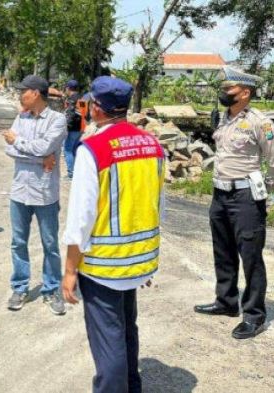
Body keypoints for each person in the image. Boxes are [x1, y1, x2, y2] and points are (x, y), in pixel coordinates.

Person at [62, 76, 165, 393]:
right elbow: (157, 203)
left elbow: (81, 217)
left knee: (109, 344)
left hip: (104, 266)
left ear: (96, 108)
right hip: (138, 259)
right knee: (126, 332)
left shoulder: (92, 149)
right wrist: (144, 259)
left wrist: (69, 271)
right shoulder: (152, 144)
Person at [194, 66, 274, 339]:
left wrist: (264, 191)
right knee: (222, 251)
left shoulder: (261, 122)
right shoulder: (222, 118)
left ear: (245, 93)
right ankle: (226, 302)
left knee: (251, 257)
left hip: (246, 196)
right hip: (220, 194)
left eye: (228, 90)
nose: (224, 93)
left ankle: (254, 315)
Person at [2, 75, 67, 315]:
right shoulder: (21, 117)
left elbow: (42, 146)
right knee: (18, 242)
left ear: (36, 93)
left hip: (45, 193)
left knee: (50, 244)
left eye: (24, 91)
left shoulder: (57, 120)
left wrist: (19, 141)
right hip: (20, 191)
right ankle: (20, 287)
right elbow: (9, 150)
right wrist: (41, 158)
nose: (21, 95)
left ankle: (51, 289)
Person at [63, 79, 83, 178]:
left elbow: (70, 114)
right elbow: (84, 113)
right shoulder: (82, 98)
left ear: (68, 88)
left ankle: (71, 173)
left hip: (72, 128)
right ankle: (76, 172)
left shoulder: (71, 99)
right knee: (75, 150)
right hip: (80, 128)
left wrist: (66, 127)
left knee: (67, 150)